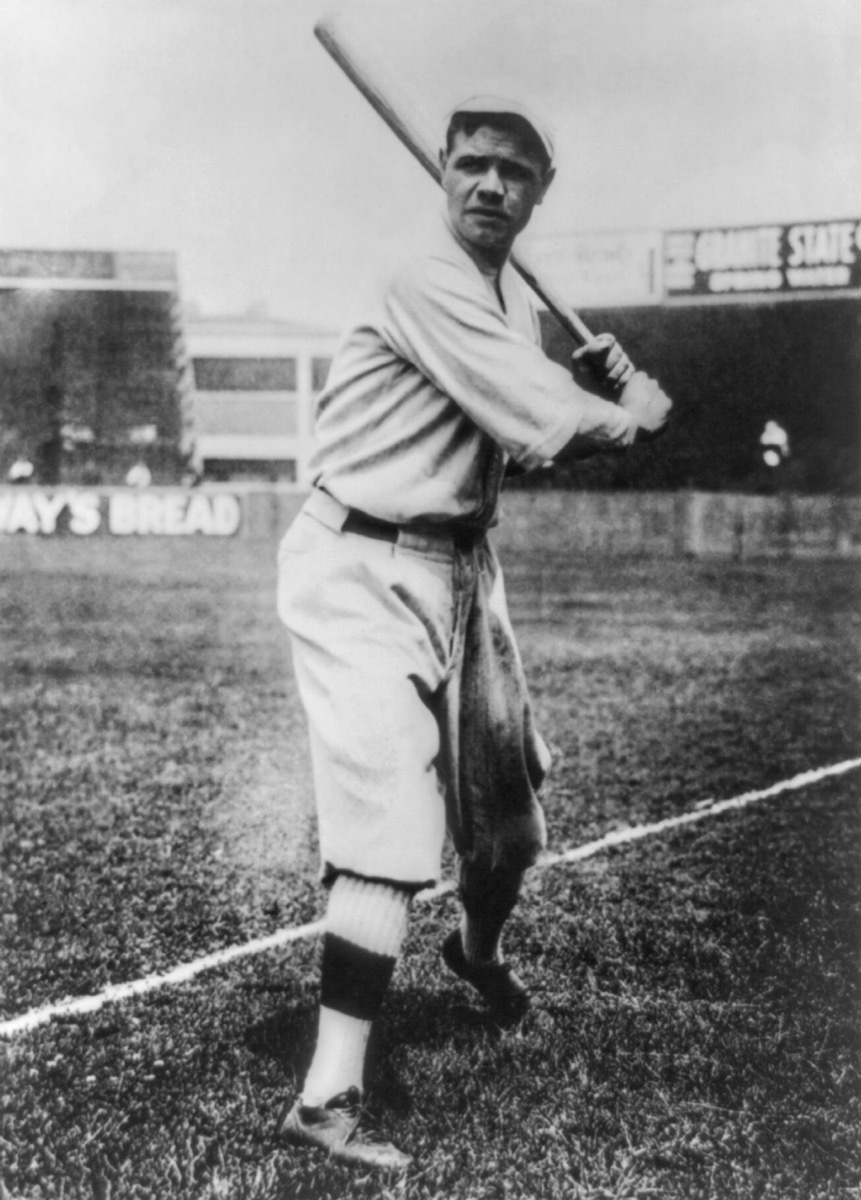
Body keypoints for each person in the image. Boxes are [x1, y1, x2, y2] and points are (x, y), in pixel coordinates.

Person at [275, 95, 672, 1171]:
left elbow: (523, 395)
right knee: (390, 829)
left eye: (516, 174)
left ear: (540, 193)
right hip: (359, 562)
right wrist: (623, 414)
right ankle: (327, 1097)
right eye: (475, 166)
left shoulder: (508, 298)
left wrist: (567, 378)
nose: (491, 186)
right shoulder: (423, 275)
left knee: (511, 827)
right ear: (443, 171)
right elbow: (535, 423)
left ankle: (473, 954)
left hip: (458, 565)